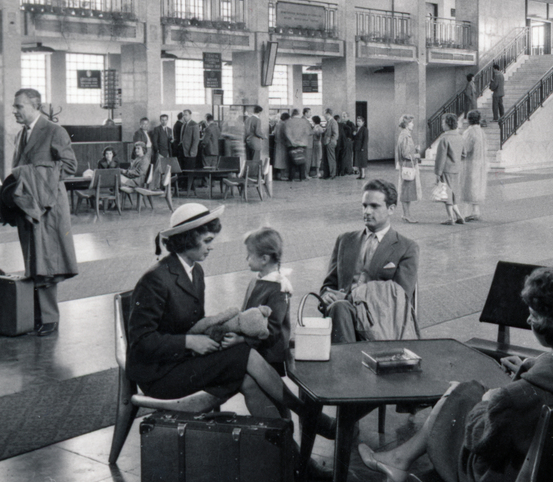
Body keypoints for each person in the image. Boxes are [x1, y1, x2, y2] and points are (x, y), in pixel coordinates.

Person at [355, 268, 553, 482]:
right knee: (463, 393)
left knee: (462, 392)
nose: (528, 319)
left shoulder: (520, 398)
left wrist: (488, 401)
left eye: (533, 315)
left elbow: (481, 443)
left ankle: (400, 460)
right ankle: (400, 459)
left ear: (549, 328)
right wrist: (529, 368)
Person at [125, 203, 332, 437]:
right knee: (242, 353)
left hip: (182, 362)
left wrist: (211, 335)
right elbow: (141, 343)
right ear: (186, 240)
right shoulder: (155, 279)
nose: (212, 247)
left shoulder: (195, 271)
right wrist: (190, 342)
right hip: (159, 375)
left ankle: (287, 458)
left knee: (249, 380)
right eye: (207, 241)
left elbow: (193, 324)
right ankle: (305, 413)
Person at [10, 88, 79, 336]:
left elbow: (70, 165)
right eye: (14, 106)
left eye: (19, 106)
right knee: (33, 260)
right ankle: (37, 315)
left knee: (48, 261)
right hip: (28, 206)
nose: (14, 110)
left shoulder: (54, 131)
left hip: (48, 207)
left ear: (35, 106)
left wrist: (36, 178)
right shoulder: (20, 135)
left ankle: (49, 317)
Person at [318, 179, 420, 343]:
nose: (367, 211)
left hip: (381, 324)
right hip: (342, 317)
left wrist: (348, 298)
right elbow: (328, 285)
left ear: (391, 209)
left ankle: (347, 364)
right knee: (339, 308)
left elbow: (399, 298)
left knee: (340, 307)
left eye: (374, 206)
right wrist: (327, 295)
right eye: (364, 205)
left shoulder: (406, 247)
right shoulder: (345, 240)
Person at [240, 227, 293, 369]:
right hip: (253, 347)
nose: (246, 259)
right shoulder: (256, 281)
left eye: (250, 255)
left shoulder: (279, 288)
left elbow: (272, 330)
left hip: (270, 354)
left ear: (264, 259)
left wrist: (241, 340)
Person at [433, 112, 465, 224]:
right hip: (456, 169)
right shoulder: (460, 137)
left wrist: (437, 172)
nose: (442, 124)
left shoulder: (444, 138)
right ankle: (459, 216)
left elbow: (440, 158)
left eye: (443, 121)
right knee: (453, 192)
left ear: (447, 124)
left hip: (446, 170)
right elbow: (464, 154)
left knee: (446, 194)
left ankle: (451, 218)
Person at [456, 111, 488, 221]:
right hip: (480, 162)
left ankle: (469, 211)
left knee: (468, 186)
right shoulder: (481, 132)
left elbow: (465, 148)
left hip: (470, 163)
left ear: (469, 119)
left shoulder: (469, 132)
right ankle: (475, 209)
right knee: (477, 186)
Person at [394, 115, 420, 223]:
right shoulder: (405, 135)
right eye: (411, 122)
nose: (413, 124)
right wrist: (416, 155)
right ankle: (406, 214)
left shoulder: (405, 134)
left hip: (407, 164)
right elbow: (405, 153)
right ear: (407, 123)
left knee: (407, 189)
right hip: (407, 164)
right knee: (406, 190)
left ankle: (406, 213)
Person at [151, 114, 174, 189]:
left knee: (166, 170)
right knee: (158, 170)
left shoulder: (170, 130)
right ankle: (155, 186)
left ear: (167, 120)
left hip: (168, 152)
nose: (164, 121)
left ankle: (164, 186)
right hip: (160, 152)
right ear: (160, 120)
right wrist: (157, 151)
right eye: (162, 120)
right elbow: (154, 141)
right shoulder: (157, 129)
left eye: (165, 120)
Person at [322, 109, 338, 178]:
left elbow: (335, 134)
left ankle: (332, 174)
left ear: (328, 114)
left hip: (330, 143)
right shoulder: (328, 122)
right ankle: (327, 174)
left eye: (325, 114)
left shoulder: (333, 122)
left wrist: (331, 142)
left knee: (331, 159)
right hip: (326, 143)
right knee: (326, 159)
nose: (324, 116)